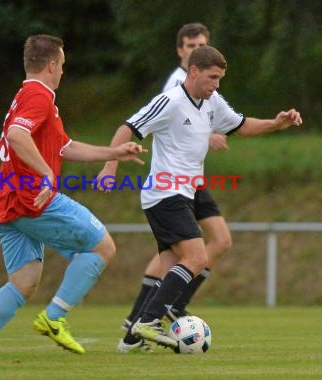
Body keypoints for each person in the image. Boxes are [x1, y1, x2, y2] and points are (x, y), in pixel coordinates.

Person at [0, 34, 145, 362]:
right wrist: (46, 173)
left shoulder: (29, 96)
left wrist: (114, 152)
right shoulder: (39, 96)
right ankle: (54, 318)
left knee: (24, 282)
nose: (63, 73)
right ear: (52, 65)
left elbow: (65, 147)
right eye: (63, 66)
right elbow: (17, 135)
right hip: (32, 197)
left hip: (7, 200)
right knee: (102, 247)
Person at [98, 45, 302, 350]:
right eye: (212, 77)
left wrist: (276, 123)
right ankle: (149, 321)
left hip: (185, 194)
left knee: (171, 264)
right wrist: (109, 166)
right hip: (165, 194)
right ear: (194, 72)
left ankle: (130, 339)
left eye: (219, 78)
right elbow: (127, 128)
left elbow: (241, 125)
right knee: (197, 257)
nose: (217, 83)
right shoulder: (170, 101)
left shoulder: (211, 101)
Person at [118, 23, 233, 335]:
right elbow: (163, 121)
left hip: (193, 181)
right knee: (178, 254)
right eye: (191, 45)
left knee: (217, 242)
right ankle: (149, 313)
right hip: (172, 182)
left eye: (202, 43)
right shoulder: (176, 86)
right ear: (181, 51)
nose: (197, 48)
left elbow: (214, 118)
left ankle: (166, 306)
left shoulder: (209, 83)